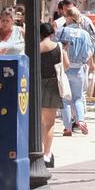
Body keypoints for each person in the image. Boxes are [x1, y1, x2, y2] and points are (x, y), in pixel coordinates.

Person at [58, 4, 95, 136]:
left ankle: (68, 127)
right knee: (78, 97)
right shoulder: (84, 34)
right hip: (79, 68)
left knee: (65, 99)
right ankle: (81, 120)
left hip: (65, 69)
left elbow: (55, 45)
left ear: (68, 18)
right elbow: (91, 50)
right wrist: (86, 60)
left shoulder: (63, 31)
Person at [39, 21, 64, 166]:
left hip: (38, 84)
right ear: (52, 33)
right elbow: (65, 65)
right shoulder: (58, 47)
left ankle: (40, 151)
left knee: (39, 122)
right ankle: (47, 154)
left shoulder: (36, 48)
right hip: (54, 84)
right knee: (49, 123)